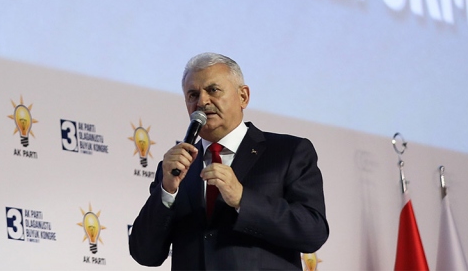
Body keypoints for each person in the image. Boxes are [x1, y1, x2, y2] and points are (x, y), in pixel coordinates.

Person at [129, 52, 329, 270]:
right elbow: (144, 253)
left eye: (213, 90)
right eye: (193, 94)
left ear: (243, 96)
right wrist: (167, 191)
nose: (202, 101)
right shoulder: (175, 168)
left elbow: (313, 232)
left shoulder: (288, 152)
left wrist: (243, 199)